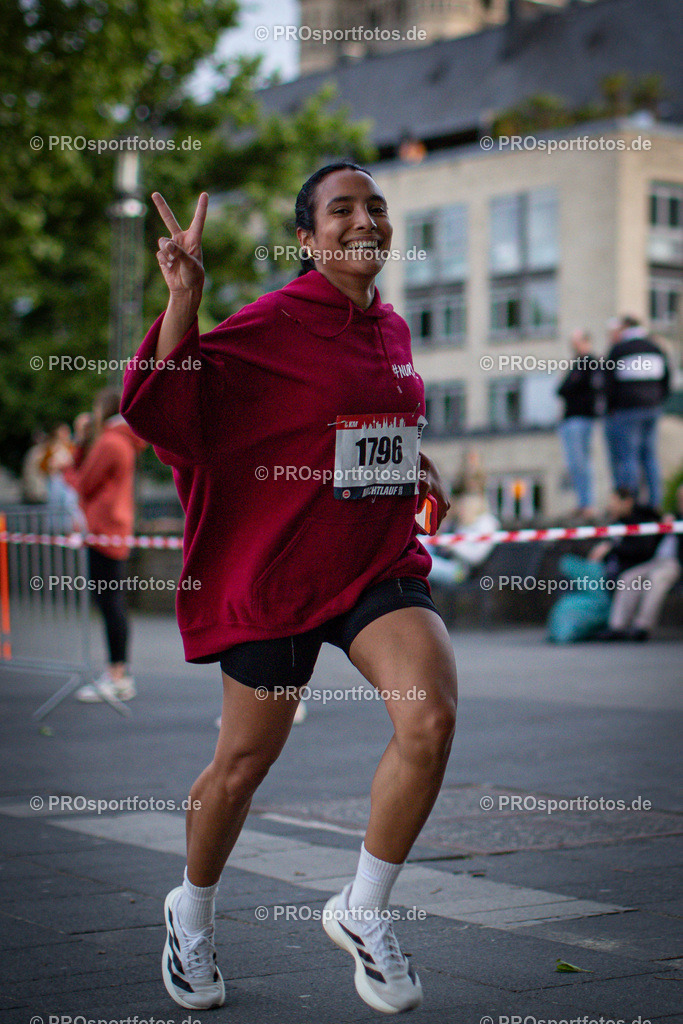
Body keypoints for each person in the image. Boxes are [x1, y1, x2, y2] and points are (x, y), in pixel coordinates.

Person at [121, 162, 457, 1015]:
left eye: (375, 207)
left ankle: (363, 909)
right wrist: (184, 300)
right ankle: (191, 914)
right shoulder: (275, 321)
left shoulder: (390, 326)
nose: (365, 221)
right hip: (276, 573)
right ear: (307, 239)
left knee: (428, 716)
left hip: (373, 563)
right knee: (243, 764)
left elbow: (350, 420)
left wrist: (413, 460)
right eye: (342, 210)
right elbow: (167, 407)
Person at [68, 388, 146, 703]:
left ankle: (118, 676)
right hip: (114, 530)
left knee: (110, 604)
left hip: (103, 531)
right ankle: (119, 673)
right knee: (113, 602)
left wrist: (69, 459)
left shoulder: (111, 442)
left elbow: (83, 482)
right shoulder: (124, 440)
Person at [547, 487, 660, 643]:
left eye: (614, 503)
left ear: (627, 502)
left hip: (635, 567)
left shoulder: (643, 520)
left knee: (627, 580)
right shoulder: (617, 521)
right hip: (612, 570)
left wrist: (611, 549)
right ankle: (612, 626)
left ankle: (620, 627)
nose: (611, 506)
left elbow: (641, 551)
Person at [597, 482, 683, 641]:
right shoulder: (668, 516)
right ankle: (617, 626)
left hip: (674, 563)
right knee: (629, 578)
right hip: (655, 561)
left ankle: (642, 626)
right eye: (680, 499)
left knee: (657, 579)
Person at [603, 315, 670, 508]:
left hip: (627, 410)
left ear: (625, 328)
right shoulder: (655, 348)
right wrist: (658, 400)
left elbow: (609, 383)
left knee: (628, 456)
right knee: (649, 456)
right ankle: (655, 502)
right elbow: (667, 379)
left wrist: (612, 408)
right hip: (652, 408)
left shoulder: (619, 349)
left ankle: (630, 504)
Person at [556, 329, 603, 520]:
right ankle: (583, 503)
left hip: (581, 418)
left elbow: (568, 388)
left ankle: (587, 503)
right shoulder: (578, 363)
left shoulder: (589, 363)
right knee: (575, 464)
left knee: (581, 463)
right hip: (572, 419)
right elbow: (562, 389)